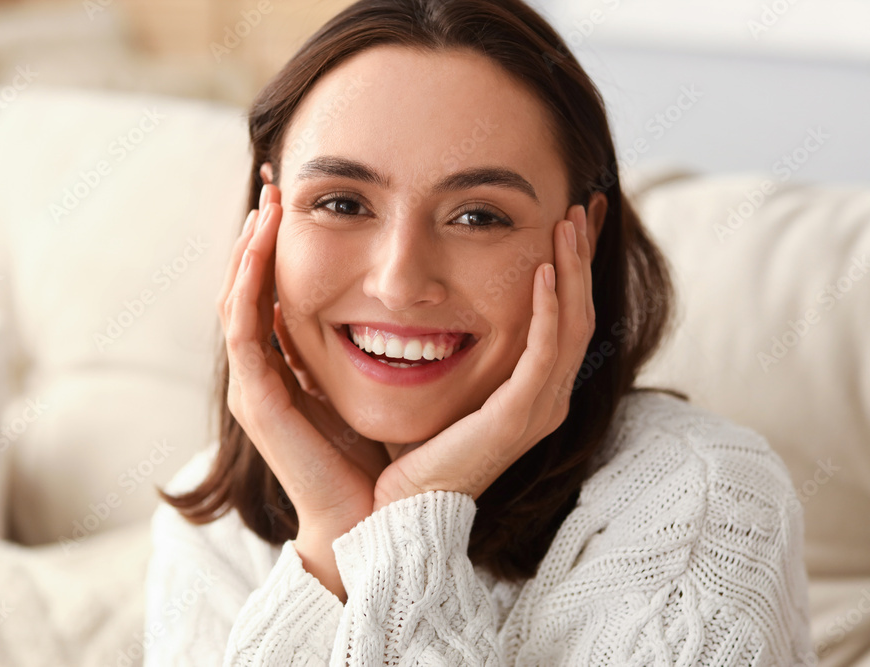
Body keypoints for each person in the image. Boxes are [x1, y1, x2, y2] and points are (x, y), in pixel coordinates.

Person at [143, 0, 812, 664]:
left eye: (479, 217)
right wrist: (331, 536)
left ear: (584, 234)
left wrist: (412, 518)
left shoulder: (707, 498)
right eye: (342, 203)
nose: (400, 282)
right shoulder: (211, 526)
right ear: (269, 215)